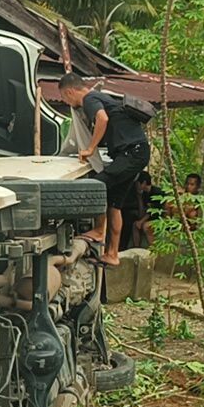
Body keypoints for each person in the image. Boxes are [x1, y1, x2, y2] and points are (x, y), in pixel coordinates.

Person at [58, 74, 151, 266]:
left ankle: (99, 231)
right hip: (135, 153)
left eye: (65, 98)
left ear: (69, 91)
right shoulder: (103, 98)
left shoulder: (90, 99)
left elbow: (102, 118)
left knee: (96, 186)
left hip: (131, 153)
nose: (67, 102)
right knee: (114, 204)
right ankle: (112, 254)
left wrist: (90, 148)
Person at [131, 171, 166, 247]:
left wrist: (141, 221)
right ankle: (136, 247)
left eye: (137, 183)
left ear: (143, 183)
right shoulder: (145, 194)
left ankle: (153, 248)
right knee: (135, 225)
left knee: (146, 226)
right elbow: (142, 213)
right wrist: (139, 197)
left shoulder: (157, 193)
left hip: (160, 217)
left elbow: (153, 211)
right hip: (150, 218)